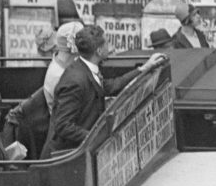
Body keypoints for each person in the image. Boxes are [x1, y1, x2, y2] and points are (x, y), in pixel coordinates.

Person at [47, 27, 166, 156]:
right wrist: (96, 138)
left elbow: (110, 86)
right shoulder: (75, 81)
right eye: (107, 43)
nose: (111, 46)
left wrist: (144, 68)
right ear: (98, 50)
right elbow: (63, 125)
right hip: (70, 155)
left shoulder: (85, 68)